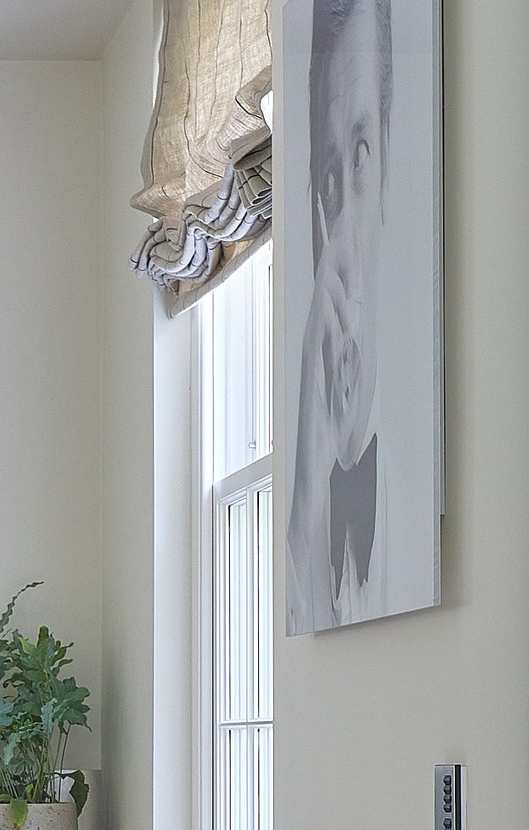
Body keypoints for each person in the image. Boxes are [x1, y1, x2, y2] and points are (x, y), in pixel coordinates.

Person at [286, 0, 392, 633]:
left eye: (360, 155)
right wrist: (303, 495)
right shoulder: (309, 498)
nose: (342, 230)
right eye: (327, 177)